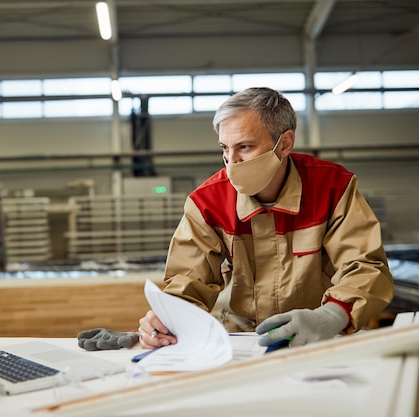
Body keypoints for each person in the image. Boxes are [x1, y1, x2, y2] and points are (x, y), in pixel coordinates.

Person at [137, 87, 394, 350]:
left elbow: (365, 265)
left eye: (245, 147)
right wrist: (168, 319)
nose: (231, 162)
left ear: (284, 144)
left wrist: (331, 316)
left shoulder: (332, 189)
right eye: (225, 148)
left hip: (315, 336)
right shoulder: (207, 203)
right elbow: (188, 281)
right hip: (238, 342)